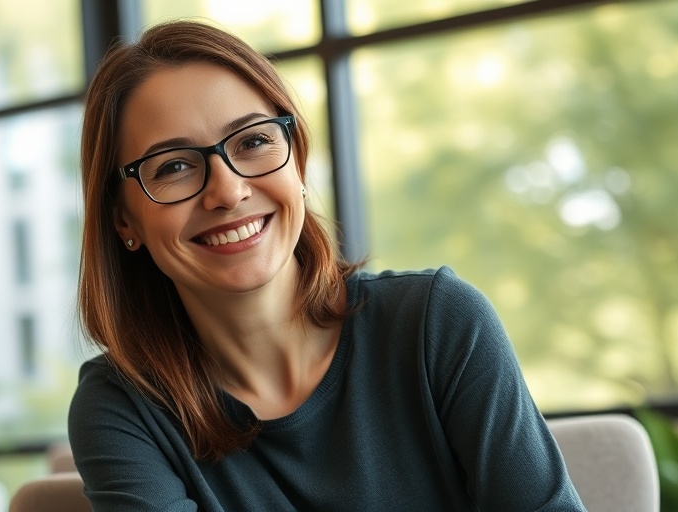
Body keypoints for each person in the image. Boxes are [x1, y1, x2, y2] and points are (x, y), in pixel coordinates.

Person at [69, 18, 585, 512]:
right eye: (175, 166)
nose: (227, 191)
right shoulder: (121, 406)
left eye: (252, 141)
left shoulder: (439, 325)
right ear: (123, 221)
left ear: (297, 160)